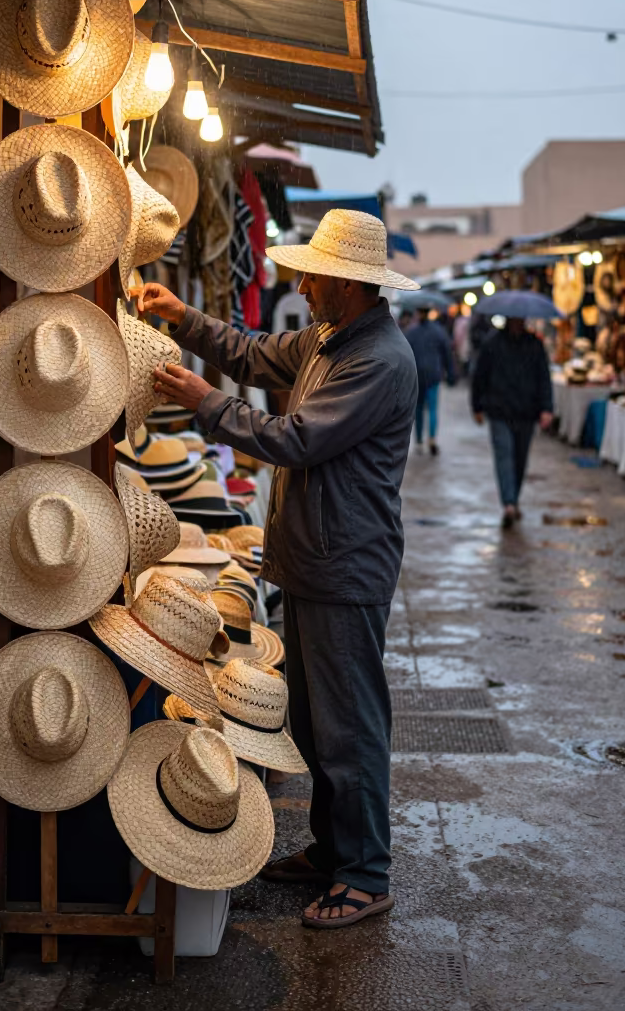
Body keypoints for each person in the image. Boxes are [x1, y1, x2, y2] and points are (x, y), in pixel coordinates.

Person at [131, 209, 418, 930]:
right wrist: (184, 317)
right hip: (318, 559)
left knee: (349, 726)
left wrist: (206, 405)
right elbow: (254, 353)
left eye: (313, 274)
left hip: (345, 566)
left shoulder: (377, 360)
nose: (301, 282)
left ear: (346, 285)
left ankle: (364, 872)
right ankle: (332, 849)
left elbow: (296, 439)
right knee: (319, 726)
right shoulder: (332, 338)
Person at [471, 317, 553, 528]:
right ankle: (508, 503)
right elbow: (479, 375)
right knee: (504, 455)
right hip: (499, 411)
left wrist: (546, 407)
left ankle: (513, 499)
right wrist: (477, 406)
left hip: (526, 412)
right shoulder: (492, 343)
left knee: (520, 458)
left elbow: (544, 377)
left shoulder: (534, 344)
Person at [404, 308, 455, 455]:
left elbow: (405, 354)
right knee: (432, 409)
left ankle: (419, 440)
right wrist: (450, 372)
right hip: (433, 374)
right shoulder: (439, 331)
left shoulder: (412, 332)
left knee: (418, 409)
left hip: (418, 375)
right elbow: (447, 353)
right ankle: (431, 439)